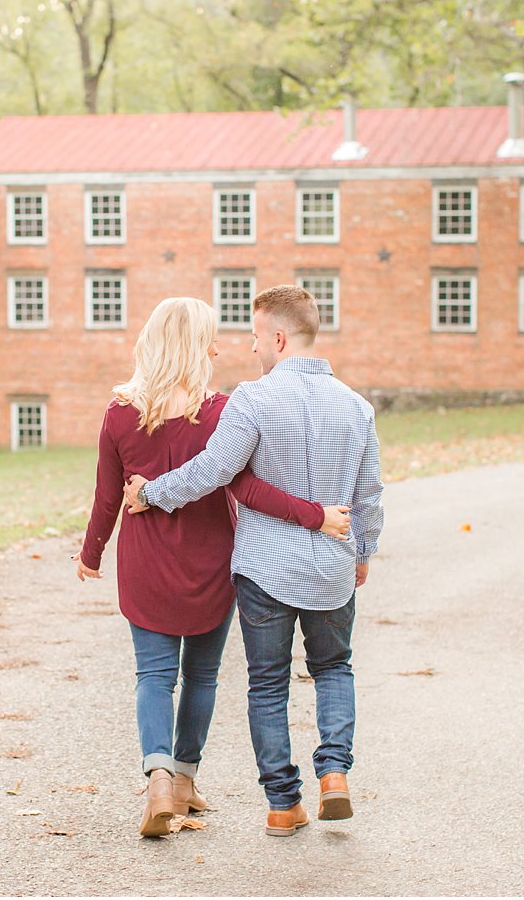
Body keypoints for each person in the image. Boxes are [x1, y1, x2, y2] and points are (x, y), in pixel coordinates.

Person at [74, 296, 352, 839]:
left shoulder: (119, 413)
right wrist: (315, 516)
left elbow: (107, 496)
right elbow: (244, 486)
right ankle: (183, 778)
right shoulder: (221, 410)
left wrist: (91, 554)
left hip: (145, 561)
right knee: (200, 675)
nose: (220, 347)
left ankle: (157, 775)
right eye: (211, 338)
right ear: (192, 346)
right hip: (210, 559)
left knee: (154, 674)